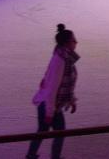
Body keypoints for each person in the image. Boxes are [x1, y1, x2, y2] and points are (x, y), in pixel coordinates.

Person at [26, 24, 79, 159]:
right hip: (49, 105)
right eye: (74, 40)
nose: (76, 42)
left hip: (52, 104)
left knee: (44, 132)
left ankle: (31, 155)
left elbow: (64, 84)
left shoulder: (63, 57)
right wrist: (49, 112)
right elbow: (53, 88)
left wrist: (71, 100)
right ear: (67, 43)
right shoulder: (60, 60)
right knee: (58, 132)